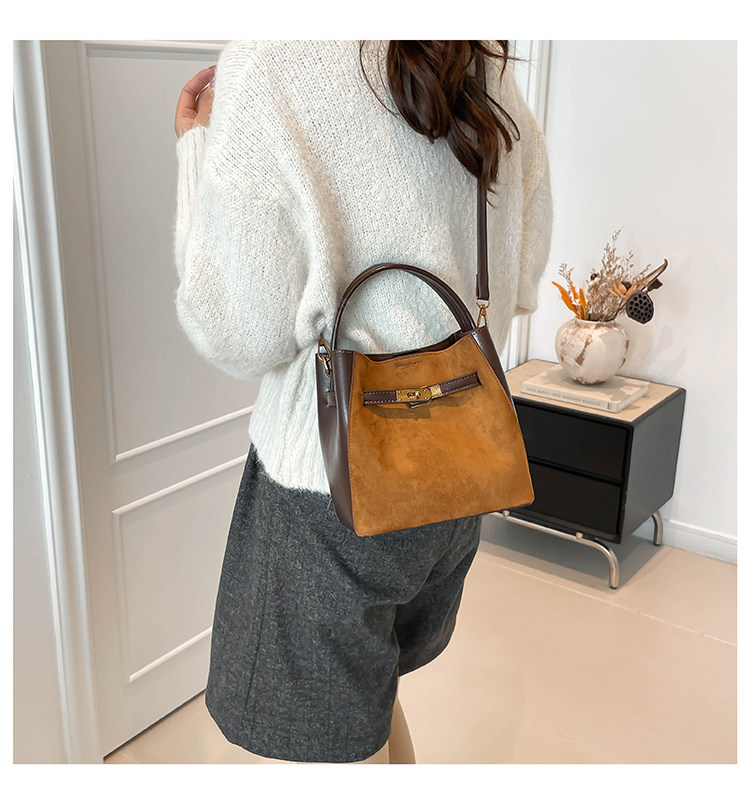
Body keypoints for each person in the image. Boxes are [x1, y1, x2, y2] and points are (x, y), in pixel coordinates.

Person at [172, 40, 552, 764]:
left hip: (331, 494)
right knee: (364, 710)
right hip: (456, 474)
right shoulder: (472, 57)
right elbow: (522, 275)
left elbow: (236, 332)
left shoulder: (272, 60)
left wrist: (197, 153)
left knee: (322, 744)